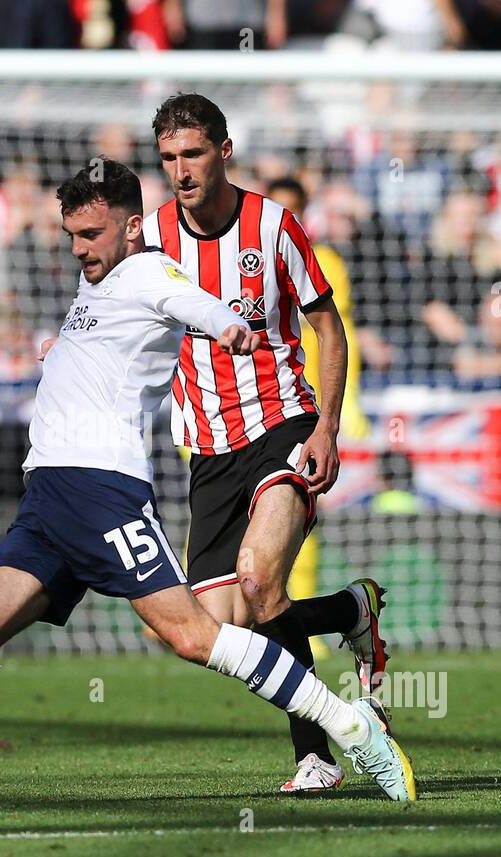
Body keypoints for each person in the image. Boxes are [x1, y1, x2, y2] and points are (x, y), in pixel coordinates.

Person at [0, 159, 416, 802]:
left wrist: (231, 328)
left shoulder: (151, 269)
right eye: (71, 236)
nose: (79, 248)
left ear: (131, 226)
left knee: (191, 635)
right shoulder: (94, 283)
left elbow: (196, 304)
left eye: (91, 234)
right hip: (47, 494)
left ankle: (350, 729)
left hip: (101, 486)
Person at [142, 93, 389, 794]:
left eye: (192, 154)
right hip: (209, 452)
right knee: (211, 631)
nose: (181, 171)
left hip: (282, 424)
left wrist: (328, 426)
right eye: (168, 159)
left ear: (223, 150)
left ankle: (315, 756)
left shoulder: (274, 226)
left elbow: (328, 329)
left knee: (260, 580)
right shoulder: (154, 236)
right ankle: (352, 611)